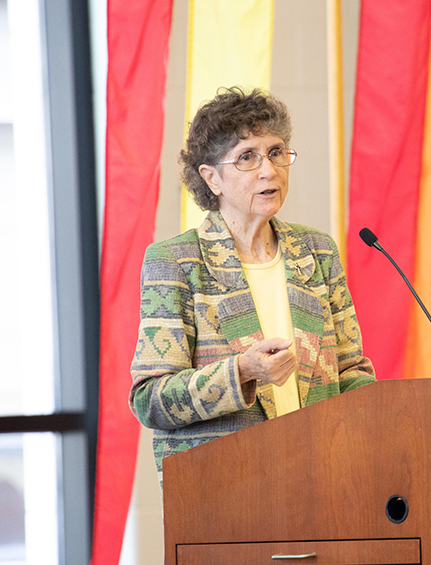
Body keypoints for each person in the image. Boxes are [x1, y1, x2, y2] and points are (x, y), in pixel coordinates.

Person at [129, 86, 376, 484]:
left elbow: (349, 369)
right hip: (227, 491)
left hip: (325, 480)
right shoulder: (177, 263)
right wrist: (241, 370)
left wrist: (388, 413)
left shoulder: (317, 252)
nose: (269, 170)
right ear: (212, 178)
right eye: (248, 157)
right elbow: (151, 401)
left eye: (276, 152)